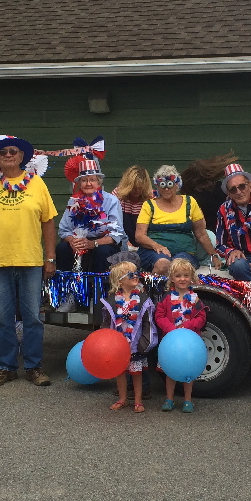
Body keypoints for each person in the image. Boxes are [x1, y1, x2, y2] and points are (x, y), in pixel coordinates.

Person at [0, 134, 58, 387]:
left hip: (30, 261)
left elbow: (48, 222)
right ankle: (6, 367)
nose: (8, 155)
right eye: (2, 152)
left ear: (21, 156)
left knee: (32, 318)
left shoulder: (36, 183)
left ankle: (33, 366)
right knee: (3, 318)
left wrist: (50, 257)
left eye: (13, 151)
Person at [134, 165, 217, 276]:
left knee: (179, 267)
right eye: (162, 185)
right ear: (157, 186)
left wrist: (213, 255)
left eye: (170, 184)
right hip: (154, 252)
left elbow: (201, 233)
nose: (166, 189)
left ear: (177, 185)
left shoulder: (190, 202)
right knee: (163, 265)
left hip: (185, 252)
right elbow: (140, 236)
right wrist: (157, 246)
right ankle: (156, 287)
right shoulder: (149, 205)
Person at [99, 258, 158, 413]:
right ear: (120, 282)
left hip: (136, 345)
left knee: (137, 373)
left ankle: (138, 401)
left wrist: (145, 343)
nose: (135, 276)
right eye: (130, 274)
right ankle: (122, 399)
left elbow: (148, 324)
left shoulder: (143, 300)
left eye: (136, 273)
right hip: (117, 345)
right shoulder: (112, 301)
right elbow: (106, 324)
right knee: (120, 373)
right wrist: (105, 342)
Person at [154, 258, 207, 414]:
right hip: (171, 342)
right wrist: (171, 329)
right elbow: (159, 316)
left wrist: (187, 326)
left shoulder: (195, 298)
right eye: (178, 276)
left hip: (190, 344)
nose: (182, 279)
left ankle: (187, 400)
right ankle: (169, 399)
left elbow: (201, 317)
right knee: (170, 371)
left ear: (191, 277)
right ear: (172, 278)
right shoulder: (166, 298)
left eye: (186, 275)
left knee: (188, 372)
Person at [55, 156, 125, 273]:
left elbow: (115, 234)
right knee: (62, 248)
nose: (88, 184)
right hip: (79, 241)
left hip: (103, 243)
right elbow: (64, 230)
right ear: (80, 183)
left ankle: (97, 283)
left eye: (92, 180)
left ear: (99, 182)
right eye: (84, 180)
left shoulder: (111, 201)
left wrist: (93, 243)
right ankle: (67, 282)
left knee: (101, 251)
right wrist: (73, 241)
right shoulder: (73, 201)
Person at [111, 165, 153, 247]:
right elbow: (113, 224)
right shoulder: (117, 194)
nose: (137, 191)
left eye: (140, 188)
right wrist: (126, 242)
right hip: (121, 240)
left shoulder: (151, 197)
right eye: (134, 188)